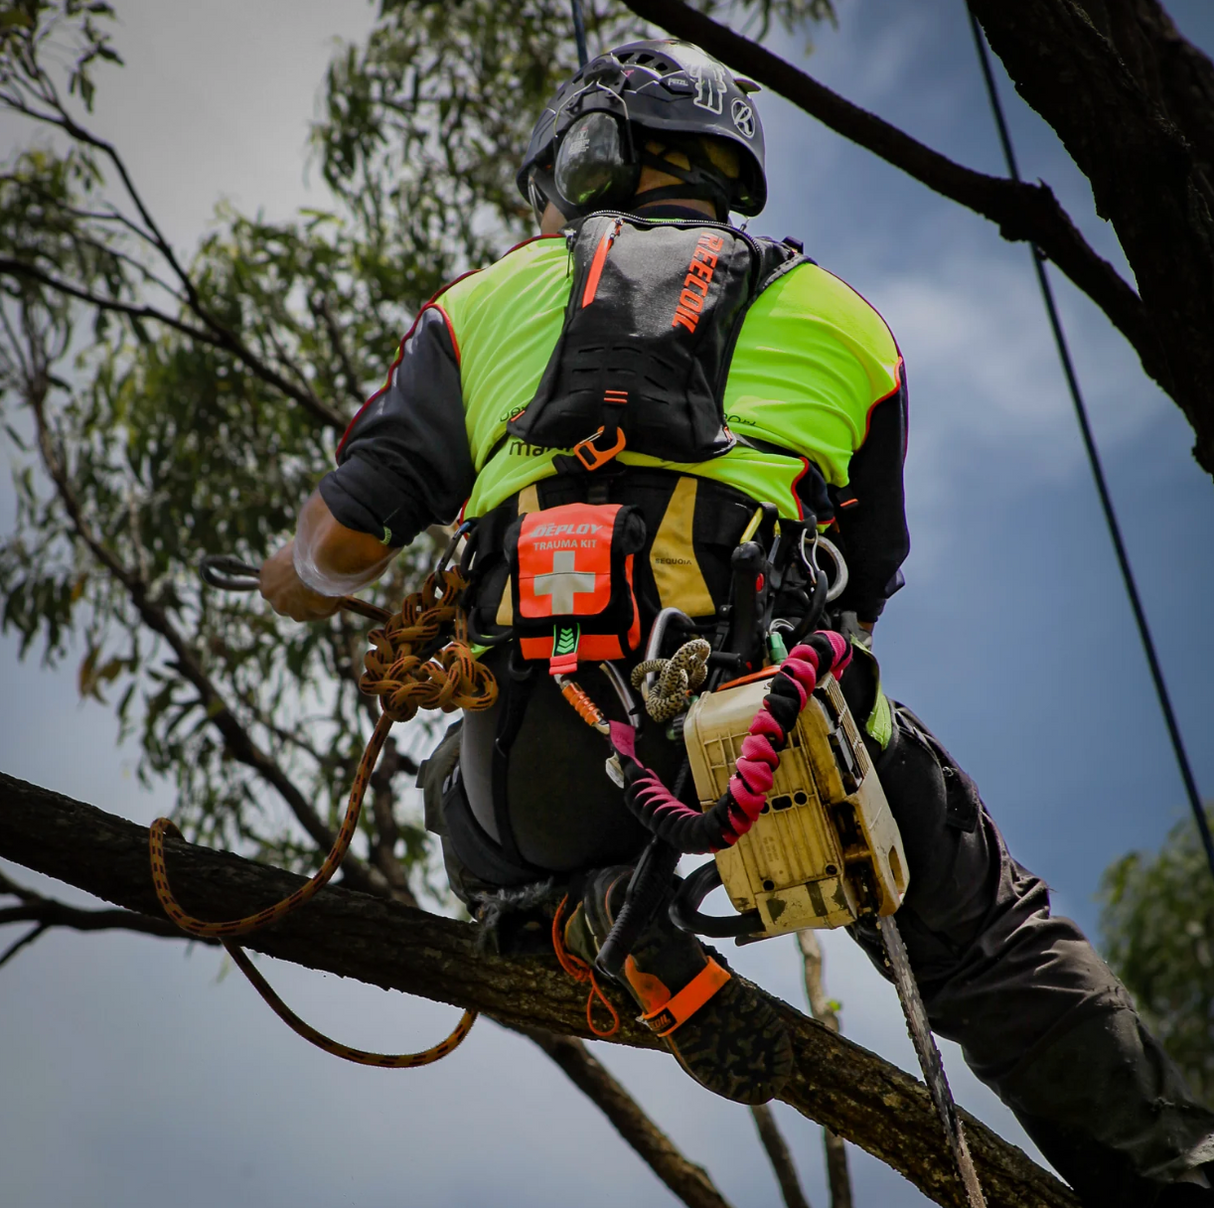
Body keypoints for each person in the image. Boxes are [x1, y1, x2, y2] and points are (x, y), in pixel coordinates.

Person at [260, 39, 1214, 1206]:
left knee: (461, 824)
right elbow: (868, 578)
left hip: (543, 763)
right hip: (772, 722)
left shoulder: (482, 303)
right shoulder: (844, 323)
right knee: (985, 935)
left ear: (593, 151)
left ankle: (583, 914)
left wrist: (291, 572)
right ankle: (1174, 1175)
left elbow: (345, 544)